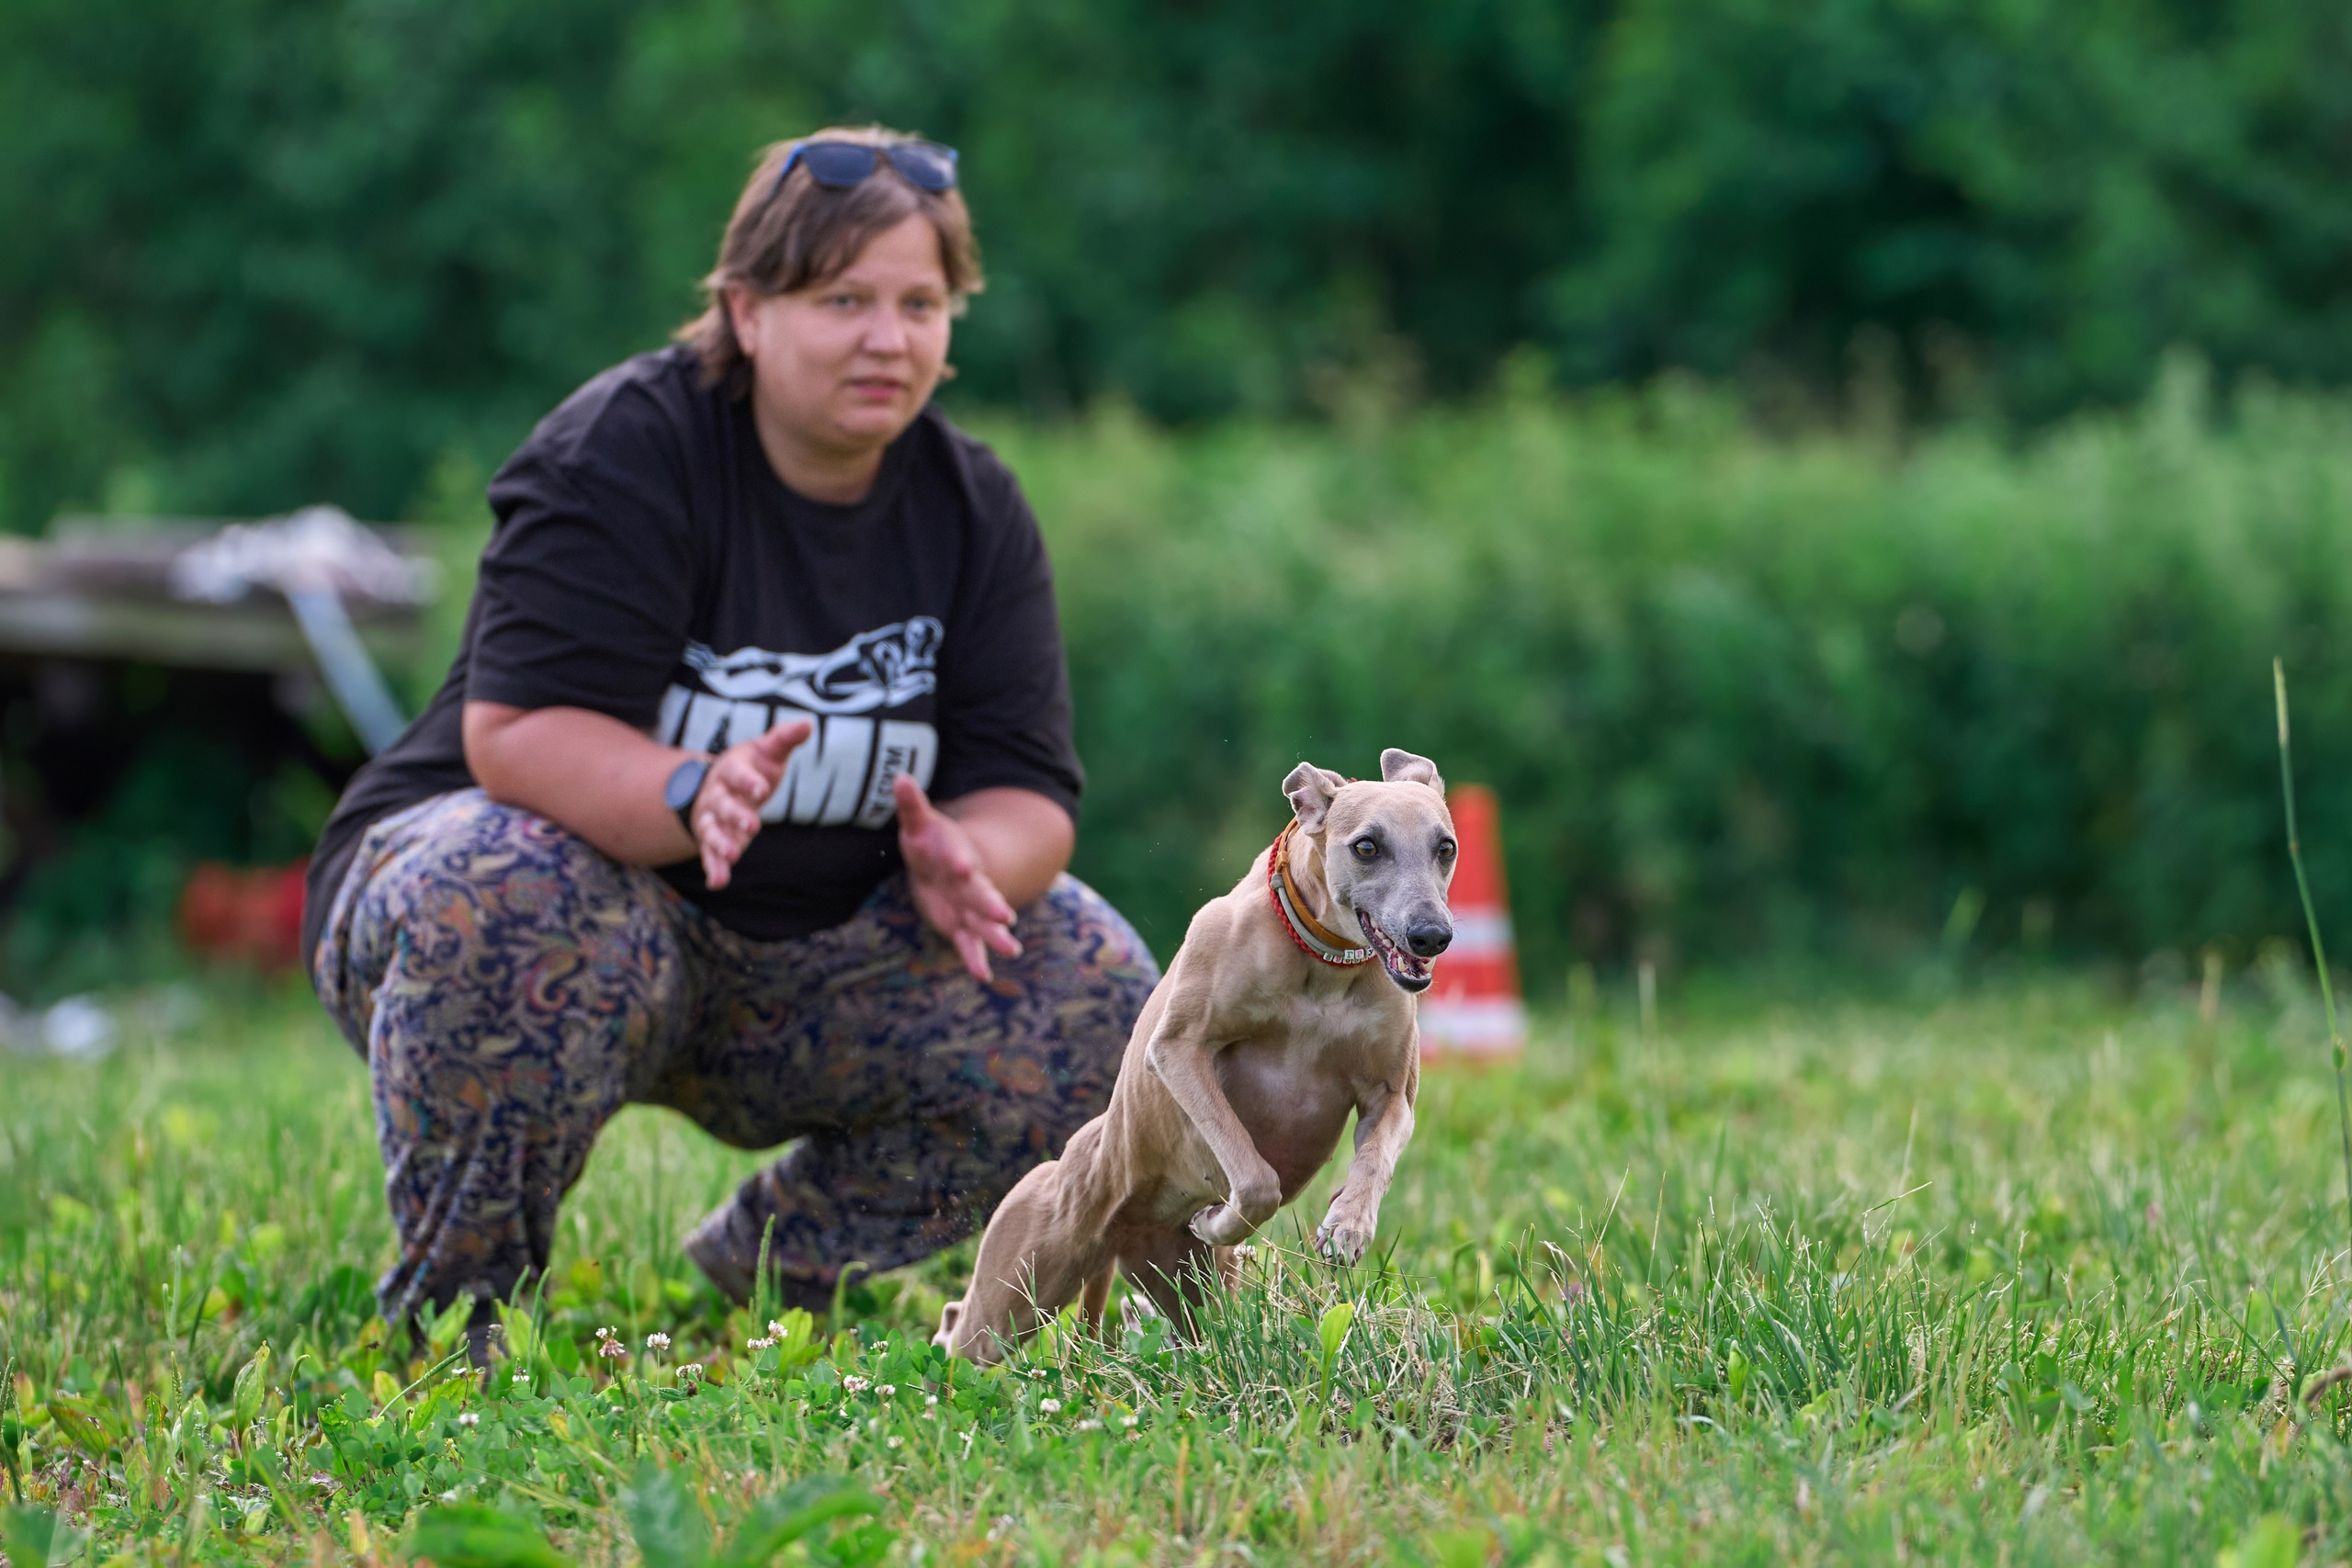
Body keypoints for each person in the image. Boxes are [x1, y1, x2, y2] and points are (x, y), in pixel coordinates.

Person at [302, 126, 1159, 1333]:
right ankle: (459, 1316)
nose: (888, 337)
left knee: (1101, 998)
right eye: (843, 300)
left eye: (921, 304)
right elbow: (517, 733)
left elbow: (1029, 793)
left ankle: (776, 1269)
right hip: (539, 906)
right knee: (510, 889)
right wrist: (686, 791)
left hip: (810, 953)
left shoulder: (974, 508)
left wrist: (969, 855)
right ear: (748, 311)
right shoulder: (624, 451)